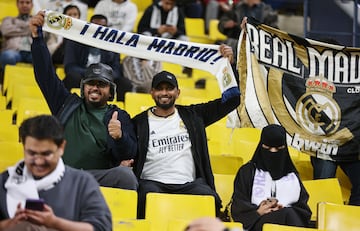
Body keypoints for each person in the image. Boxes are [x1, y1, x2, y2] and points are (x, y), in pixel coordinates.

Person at [29, 11, 138, 190]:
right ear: (83, 88)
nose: (95, 88)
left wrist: (120, 137)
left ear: (111, 92)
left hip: (97, 177)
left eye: (101, 84)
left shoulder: (118, 116)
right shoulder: (65, 104)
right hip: (63, 174)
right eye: (90, 84)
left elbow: (129, 154)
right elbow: (45, 74)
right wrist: (37, 38)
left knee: (125, 175)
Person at [132, 46, 240, 219]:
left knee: (211, 199)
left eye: (169, 88)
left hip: (188, 184)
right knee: (143, 196)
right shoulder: (138, 122)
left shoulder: (193, 115)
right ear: (152, 93)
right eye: (160, 89)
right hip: (152, 183)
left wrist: (229, 66)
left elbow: (233, 99)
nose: (165, 93)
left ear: (178, 92)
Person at [0, 115, 112, 231]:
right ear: (24, 147)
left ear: (61, 147)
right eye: (32, 153)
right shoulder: (4, 181)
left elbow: (101, 228)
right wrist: (12, 224)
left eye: (46, 154)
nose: (38, 161)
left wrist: (54, 222)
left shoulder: (82, 182)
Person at [231, 124, 312, 231]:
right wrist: (258, 211)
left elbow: (303, 209)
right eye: (268, 148)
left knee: (289, 214)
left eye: (278, 149)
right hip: (256, 222)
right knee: (288, 215)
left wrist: (281, 209)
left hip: (288, 222)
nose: (273, 152)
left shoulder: (292, 175)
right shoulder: (248, 171)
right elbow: (238, 204)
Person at [63, 14, 133, 101]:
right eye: (96, 26)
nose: (99, 30)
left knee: (124, 83)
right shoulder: (75, 41)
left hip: (105, 79)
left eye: (103, 27)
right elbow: (69, 67)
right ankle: (69, 106)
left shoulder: (113, 44)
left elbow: (117, 70)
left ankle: (117, 111)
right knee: (72, 77)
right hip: (83, 77)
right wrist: (92, 74)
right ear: (89, 27)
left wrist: (103, 76)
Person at [137, 0, 192, 76]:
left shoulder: (178, 11)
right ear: (162, 1)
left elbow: (183, 32)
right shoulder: (151, 8)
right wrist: (157, 31)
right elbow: (141, 29)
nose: (168, 6)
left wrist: (176, 32)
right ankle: (144, 61)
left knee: (185, 39)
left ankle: (186, 66)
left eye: (171, 4)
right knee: (146, 35)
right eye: (167, 3)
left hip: (171, 41)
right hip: (153, 39)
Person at [0, 0, 33, 72]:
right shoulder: (8, 19)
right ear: (17, 4)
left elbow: (43, 34)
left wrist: (16, 28)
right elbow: (5, 31)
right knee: (7, 57)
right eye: (21, 2)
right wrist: (29, 28)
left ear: (32, 5)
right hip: (14, 51)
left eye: (27, 2)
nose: (24, 5)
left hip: (32, 52)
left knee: (43, 58)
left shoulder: (37, 20)